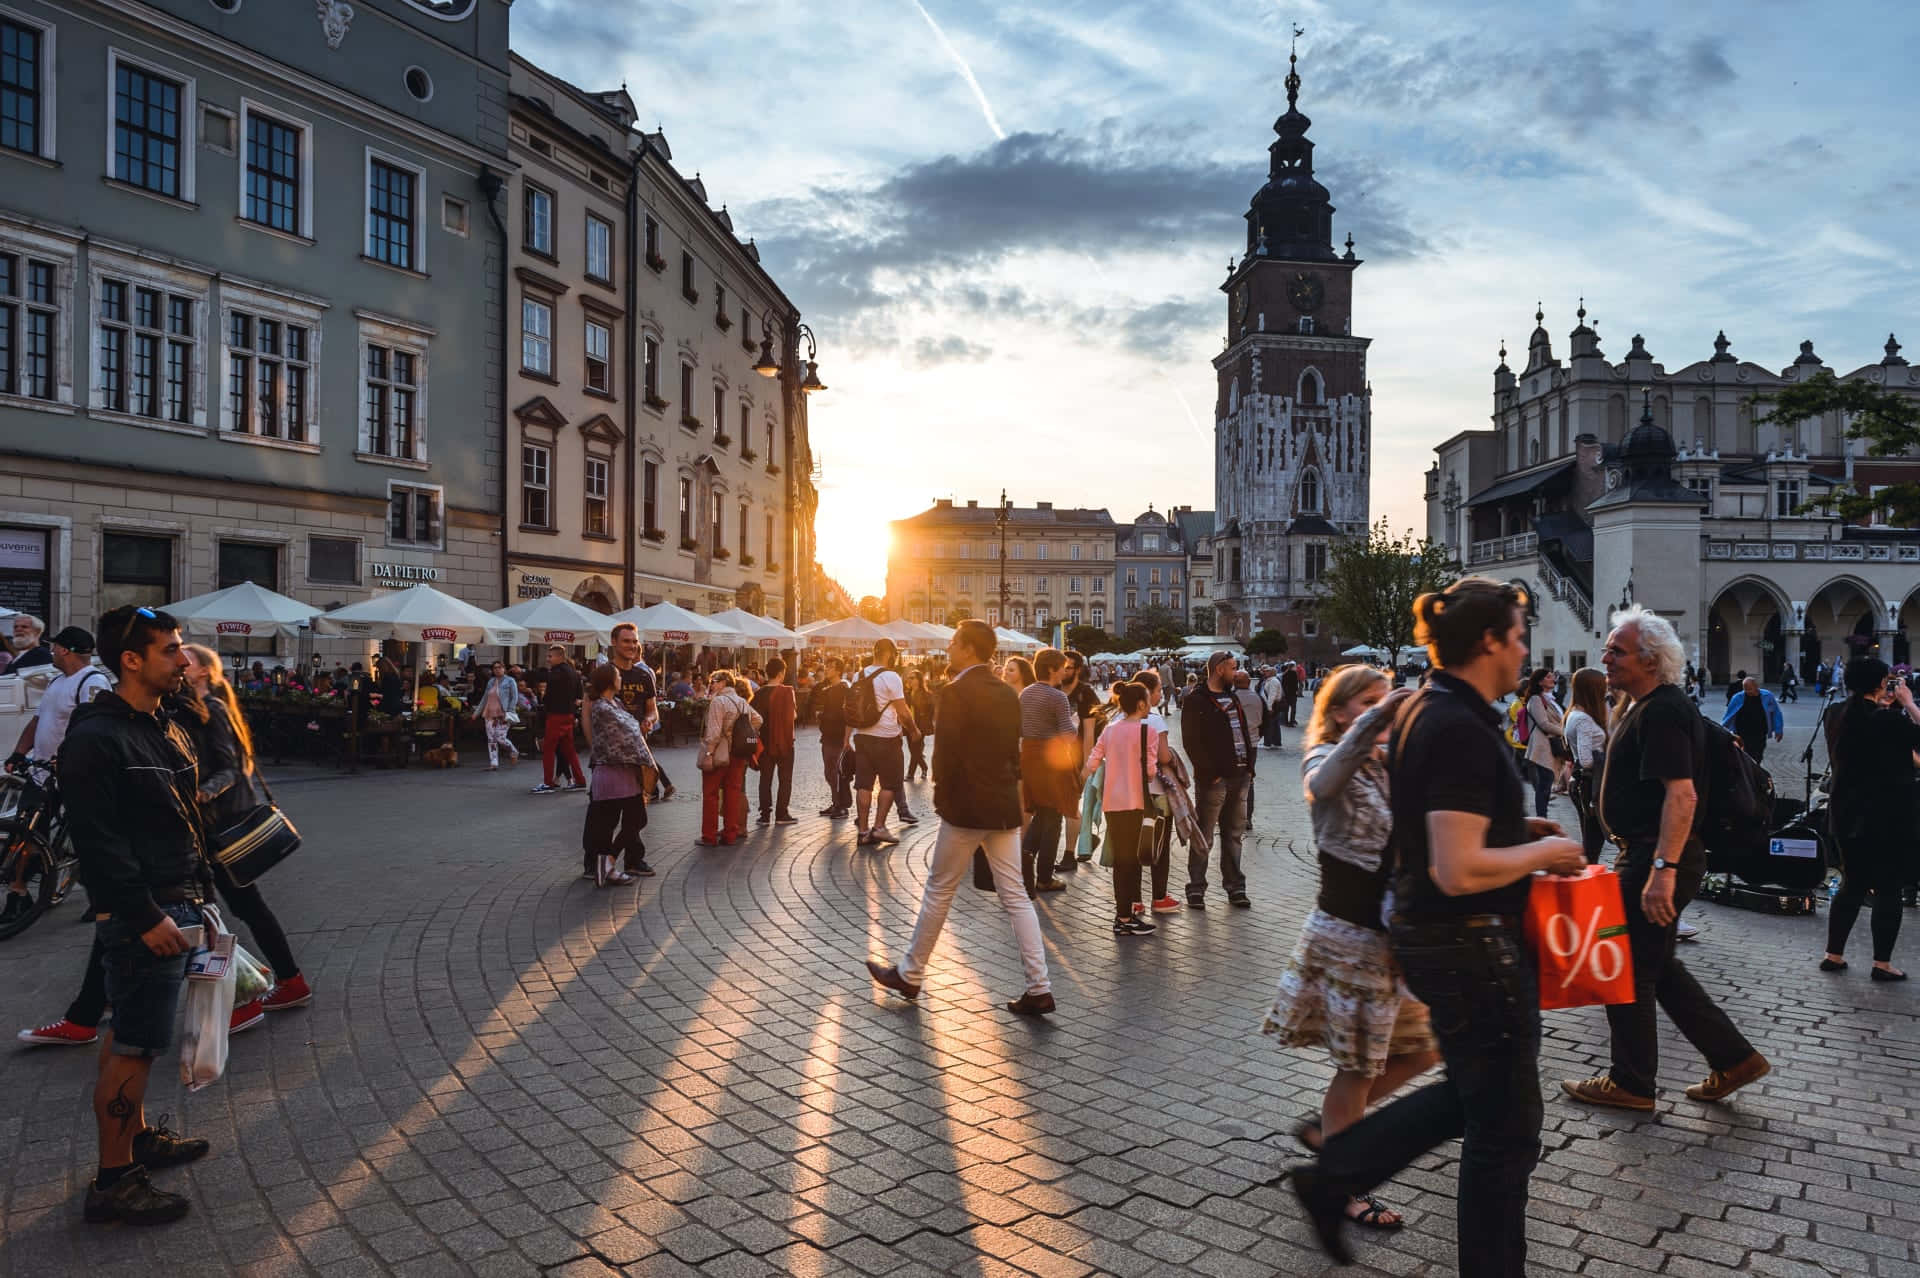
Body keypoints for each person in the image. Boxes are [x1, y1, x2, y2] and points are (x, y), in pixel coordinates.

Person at [1291, 578, 1586, 1275]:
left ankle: (1335, 1173)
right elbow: (1456, 868)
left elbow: (1430, 829)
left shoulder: (1432, 707)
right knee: (1505, 1130)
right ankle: (1337, 1177)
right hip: (1470, 943)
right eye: (1517, 636)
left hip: (1440, 939)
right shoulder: (1457, 724)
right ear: (1488, 641)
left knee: (1482, 1100)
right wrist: (1546, 851)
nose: (1524, 650)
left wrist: (1514, 828)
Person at [1561, 605, 1769, 1113]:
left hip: (1656, 856)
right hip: (1648, 854)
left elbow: (1682, 796)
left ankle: (1631, 1081)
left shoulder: (1664, 710)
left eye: (1617, 650)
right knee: (1660, 967)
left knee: (1625, 966)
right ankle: (1734, 1058)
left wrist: (1662, 870)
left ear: (1650, 660)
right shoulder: (1642, 705)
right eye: (1608, 648)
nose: (1605, 656)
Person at [1265, 665, 1438, 1233]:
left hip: (1393, 939)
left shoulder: (1387, 765)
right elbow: (1322, 783)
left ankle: (1333, 1131)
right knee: (1358, 1068)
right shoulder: (1324, 755)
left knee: (1423, 1049)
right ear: (1340, 711)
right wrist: (1378, 719)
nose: (1380, 709)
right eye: (1366, 701)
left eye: (1384, 699)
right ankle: (1343, 1181)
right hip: (1351, 936)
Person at [60, 605, 214, 1225]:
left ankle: (139, 1136)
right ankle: (115, 1180)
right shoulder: (97, 736)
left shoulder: (159, 722)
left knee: (134, 1035)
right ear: (131, 659)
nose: (184, 659)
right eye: (171, 649)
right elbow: (96, 842)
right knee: (134, 1045)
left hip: (175, 896)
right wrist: (145, 914)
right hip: (145, 911)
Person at [863, 620, 1054, 1015]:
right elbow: (1013, 750)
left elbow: (945, 754)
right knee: (1016, 896)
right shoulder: (1006, 692)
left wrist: (941, 798)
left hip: (966, 806)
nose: (949, 648)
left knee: (939, 889)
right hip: (1001, 804)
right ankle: (1040, 987)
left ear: (968, 649)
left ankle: (911, 974)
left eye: (953, 642)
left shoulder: (954, 691)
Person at [1821, 658, 1920, 980]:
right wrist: (1908, 702)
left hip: (1846, 814)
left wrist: (1887, 705)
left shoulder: (1835, 714)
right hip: (1886, 815)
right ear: (1881, 683)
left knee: (1853, 883)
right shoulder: (1888, 720)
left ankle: (1833, 954)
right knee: (1889, 886)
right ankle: (1882, 963)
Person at [1081, 679, 1178, 935]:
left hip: (1112, 802)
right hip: (1136, 801)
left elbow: (1093, 759)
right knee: (1132, 860)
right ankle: (1127, 917)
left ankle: (1122, 915)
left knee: (1121, 860)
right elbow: (1149, 771)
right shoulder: (1149, 732)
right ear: (1141, 704)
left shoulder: (1111, 729)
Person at [1180, 651, 1258, 909]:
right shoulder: (1197, 700)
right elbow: (1191, 741)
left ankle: (1236, 887)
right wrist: (1210, 773)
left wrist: (1250, 768)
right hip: (1214, 779)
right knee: (1205, 835)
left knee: (1234, 835)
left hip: (1240, 775)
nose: (1236, 673)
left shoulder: (1233, 697)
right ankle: (1196, 888)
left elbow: (1242, 733)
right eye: (1233, 668)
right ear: (1218, 669)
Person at [582, 663, 653, 885]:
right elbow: (629, 735)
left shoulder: (616, 703)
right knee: (608, 824)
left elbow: (631, 731)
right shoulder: (602, 707)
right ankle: (606, 866)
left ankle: (608, 862)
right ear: (610, 681)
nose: (621, 679)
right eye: (619, 676)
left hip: (625, 772)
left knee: (636, 818)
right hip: (612, 773)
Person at [1019, 649, 1080, 895]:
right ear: (1052, 669)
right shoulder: (1057, 697)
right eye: (1063, 667)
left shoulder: (1025, 693)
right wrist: (1075, 726)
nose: (1065, 671)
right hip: (1051, 759)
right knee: (1054, 814)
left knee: (1042, 813)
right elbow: (1067, 734)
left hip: (1030, 756)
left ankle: (1024, 860)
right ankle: (1044, 877)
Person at [850, 639, 915, 849]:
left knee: (863, 784)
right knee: (889, 783)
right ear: (890, 654)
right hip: (887, 737)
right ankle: (879, 827)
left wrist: (847, 738)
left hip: (862, 736)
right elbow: (903, 711)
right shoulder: (891, 676)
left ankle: (863, 832)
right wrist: (914, 730)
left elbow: (849, 709)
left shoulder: (858, 675)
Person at [697, 670, 760, 847]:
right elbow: (758, 720)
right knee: (733, 792)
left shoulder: (719, 701)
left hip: (720, 752)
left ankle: (709, 836)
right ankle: (730, 834)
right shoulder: (742, 702)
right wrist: (739, 734)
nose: (711, 685)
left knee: (711, 794)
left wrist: (709, 753)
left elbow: (714, 732)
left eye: (714, 681)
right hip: (738, 754)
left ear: (724, 682)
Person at [1562, 667, 1611, 863]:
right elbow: (1586, 759)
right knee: (1593, 841)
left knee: (1591, 839)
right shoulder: (1582, 719)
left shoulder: (1575, 713)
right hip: (1590, 783)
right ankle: (1587, 882)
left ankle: (1587, 877)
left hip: (1583, 782)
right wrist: (1608, 758)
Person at [531, 644, 585, 795]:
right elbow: (579, 694)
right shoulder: (573, 673)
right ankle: (579, 780)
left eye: (550, 656)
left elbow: (549, 696)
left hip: (556, 714)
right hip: (569, 714)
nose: (548, 659)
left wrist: (544, 699)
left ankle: (548, 782)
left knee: (549, 749)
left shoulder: (555, 673)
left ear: (559, 657)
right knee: (569, 750)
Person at [752, 657, 798, 825]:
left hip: (765, 743)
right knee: (785, 779)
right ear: (781, 673)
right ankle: (781, 814)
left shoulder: (758, 694)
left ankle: (765, 815)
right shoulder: (787, 691)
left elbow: (753, 719)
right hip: (785, 742)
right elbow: (793, 716)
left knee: (765, 779)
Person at [1521, 668, 1567, 818]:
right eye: (1548, 677)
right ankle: (1542, 817)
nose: (1552, 678)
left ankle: (1543, 816)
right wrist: (1564, 732)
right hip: (1541, 745)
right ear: (1540, 682)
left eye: (1552, 676)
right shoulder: (1535, 699)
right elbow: (1543, 723)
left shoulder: (1550, 698)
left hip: (1549, 743)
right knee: (1544, 785)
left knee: (1546, 783)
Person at [815, 659, 853, 818]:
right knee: (829, 772)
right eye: (827, 667)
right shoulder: (828, 690)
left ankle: (842, 806)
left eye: (830, 667)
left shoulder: (844, 689)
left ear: (838, 671)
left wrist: (846, 738)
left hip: (838, 737)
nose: (827, 670)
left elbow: (846, 716)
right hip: (827, 736)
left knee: (838, 772)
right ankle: (836, 802)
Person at [1721, 676, 1784, 765]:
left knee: (1758, 756)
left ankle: (1754, 773)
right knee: (1744, 756)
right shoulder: (1737, 697)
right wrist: (1724, 731)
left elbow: (1776, 713)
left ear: (1756, 686)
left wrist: (1778, 730)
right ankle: (1748, 774)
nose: (1748, 692)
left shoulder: (1767, 696)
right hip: (1742, 733)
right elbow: (1728, 716)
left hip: (1760, 732)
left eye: (1750, 689)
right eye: (1745, 689)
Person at [477, 660, 524, 771]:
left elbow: (514, 697)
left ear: (504, 668)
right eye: (495, 668)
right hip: (489, 713)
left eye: (500, 667)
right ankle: (494, 763)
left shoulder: (510, 681)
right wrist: (477, 712)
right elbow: (485, 698)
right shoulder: (491, 681)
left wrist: (509, 711)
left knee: (500, 737)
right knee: (491, 739)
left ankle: (513, 751)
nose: (497, 669)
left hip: (503, 713)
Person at [905, 670, 937, 782]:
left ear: (919, 680)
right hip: (908, 726)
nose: (910, 680)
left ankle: (910, 774)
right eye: (909, 677)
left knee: (915, 750)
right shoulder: (906, 694)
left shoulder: (926, 694)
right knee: (914, 750)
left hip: (920, 726)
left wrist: (926, 723)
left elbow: (931, 711)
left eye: (913, 677)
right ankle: (924, 767)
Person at [1282, 660, 1303, 727]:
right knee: (1293, 709)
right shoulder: (1294, 673)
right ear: (1292, 667)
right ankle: (1292, 721)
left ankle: (1285, 721)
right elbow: (1295, 684)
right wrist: (1296, 691)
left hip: (1286, 694)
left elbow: (1283, 684)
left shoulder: (1284, 674)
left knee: (1286, 709)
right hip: (1292, 693)